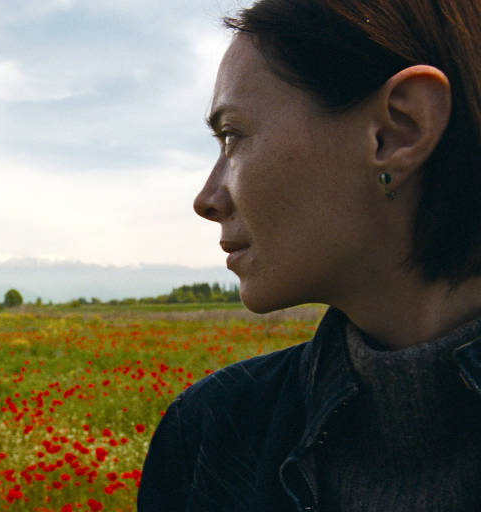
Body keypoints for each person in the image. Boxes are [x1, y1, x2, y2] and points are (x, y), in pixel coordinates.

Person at [138, 1, 481, 510]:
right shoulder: (209, 431)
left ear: (396, 131)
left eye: (232, 135)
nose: (206, 199)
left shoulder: (219, 434)